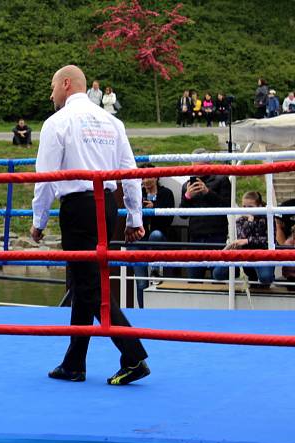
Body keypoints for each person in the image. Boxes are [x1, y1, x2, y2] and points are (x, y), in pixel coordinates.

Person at [30, 64, 150, 386]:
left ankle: (133, 354)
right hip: (107, 206)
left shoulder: (57, 122)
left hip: (79, 206)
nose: (51, 93)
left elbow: (45, 179)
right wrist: (134, 217)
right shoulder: (112, 122)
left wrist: (38, 220)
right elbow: (130, 173)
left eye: (53, 86)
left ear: (67, 84)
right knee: (85, 281)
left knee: (88, 284)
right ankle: (74, 363)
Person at [179, 148, 231, 279]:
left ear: (209, 165)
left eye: (199, 167)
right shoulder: (187, 185)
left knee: (217, 278)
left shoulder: (222, 179)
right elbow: (182, 214)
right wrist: (187, 196)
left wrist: (208, 192)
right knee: (194, 279)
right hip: (195, 237)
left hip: (216, 235)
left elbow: (226, 206)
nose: (196, 170)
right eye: (193, 167)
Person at [131, 165, 175, 308]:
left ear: (156, 177)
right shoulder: (137, 194)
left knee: (155, 235)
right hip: (140, 240)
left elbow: (169, 219)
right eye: (143, 177)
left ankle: (156, 268)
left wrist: (154, 208)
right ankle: (143, 311)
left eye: (149, 176)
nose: (146, 180)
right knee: (141, 282)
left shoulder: (166, 193)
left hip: (159, 239)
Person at [213, 191, 275, 287]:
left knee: (265, 277)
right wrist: (250, 220)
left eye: (250, 207)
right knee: (218, 273)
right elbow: (242, 236)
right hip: (245, 255)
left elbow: (269, 241)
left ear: (259, 206)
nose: (246, 210)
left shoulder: (268, 219)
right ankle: (243, 273)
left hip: (262, 255)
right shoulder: (240, 220)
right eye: (244, 207)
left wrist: (247, 241)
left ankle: (259, 280)